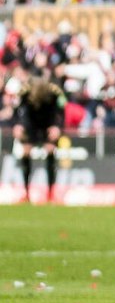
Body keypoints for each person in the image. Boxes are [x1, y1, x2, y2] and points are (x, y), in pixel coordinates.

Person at [14, 67, 66, 203]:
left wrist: (57, 127)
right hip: (31, 124)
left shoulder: (54, 92)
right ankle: (26, 193)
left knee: (50, 151)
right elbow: (19, 110)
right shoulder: (24, 92)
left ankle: (51, 193)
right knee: (26, 152)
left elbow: (60, 110)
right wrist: (19, 124)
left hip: (48, 123)